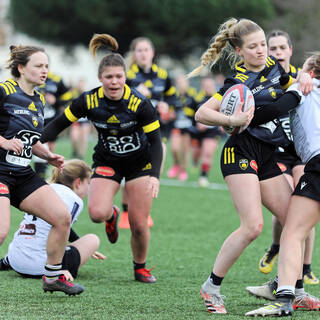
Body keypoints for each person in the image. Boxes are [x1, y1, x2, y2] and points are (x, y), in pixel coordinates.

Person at [190, 18, 315, 314]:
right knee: (253, 226)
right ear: (239, 50)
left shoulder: (275, 66)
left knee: (292, 222)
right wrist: (231, 121)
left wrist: (304, 79)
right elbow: (201, 113)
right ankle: (211, 287)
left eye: (263, 44)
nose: (261, 51)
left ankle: (294, 290)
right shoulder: (237, 82)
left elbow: (293, 84)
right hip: (240, 153)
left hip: (268, 154)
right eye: (254, 47)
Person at [40, 34, 163, 283]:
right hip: (108, 161)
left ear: (125, 77)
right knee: (97, 213)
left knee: (139, 224)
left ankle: (140, 267)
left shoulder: (140, 103)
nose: (114, 82)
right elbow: (55, 126)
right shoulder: (88, 100)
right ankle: (112, 215)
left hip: (140, 163)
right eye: (109, 77)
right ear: (100, 78)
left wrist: (155, 176)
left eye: (119, 76)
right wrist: (35, 143)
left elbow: (157, 143)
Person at [0, 44, 84, 295]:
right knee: (1, 231)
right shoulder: (4, 91)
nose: (44, 70)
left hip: (22, 173)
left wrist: (47, 156)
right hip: (0, 171)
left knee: (62, 218)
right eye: (38, 66)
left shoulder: (38, 99)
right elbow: (8, 138)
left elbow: (30, 140)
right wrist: (3, 142)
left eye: (46, 66)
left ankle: (52, 276)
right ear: (21, 68)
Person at [245, 52, 320, 317]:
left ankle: (285, 299)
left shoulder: (303, 86)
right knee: (296, 227)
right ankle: (284, 285)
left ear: (309, 71)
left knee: (292, 231)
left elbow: (275, 110)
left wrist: (239, 118)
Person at [257, 30, 318, 285]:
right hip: (282, 151)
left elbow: (280, 105)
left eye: (282, 47)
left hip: (308, 156)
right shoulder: (267, 78)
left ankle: (297, 277)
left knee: (300, 215)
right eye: (273, 48)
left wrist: (238, 120)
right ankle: (277, 250)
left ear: (291, 51)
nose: (278, 52)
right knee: (294, 205)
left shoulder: (302, 82)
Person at [0, 159, 105, 279]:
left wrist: (77, 241)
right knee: (93, 239)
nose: (89, 187)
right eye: (88, 183)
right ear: (78, 182)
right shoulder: (74, 199)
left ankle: (6, 261)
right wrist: (63, 267)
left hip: (15, 260)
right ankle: (56, 269)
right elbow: (61, 231)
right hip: (42, 266)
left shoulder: (41, 189)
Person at [120, 37, 178, 226]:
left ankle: (145, 212)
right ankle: (126, 213)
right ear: (134, 54)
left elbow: (173, 100)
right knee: (132, 173)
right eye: (139, 50)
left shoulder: (163, 75)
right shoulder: (126, 75)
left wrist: (166, 106)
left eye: (146, 50)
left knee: (154, 172)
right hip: (132, 132)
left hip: (156, 131)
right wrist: (136, 95)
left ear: (152, 53)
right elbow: (117, 103)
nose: (143, 54)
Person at [33, 69, 73, 178]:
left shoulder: (56, 79)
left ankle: (43, 172)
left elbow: (68, 98)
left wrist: (55, 101)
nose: (42, 68)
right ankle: (39, 174)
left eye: (44, 65)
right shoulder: (30, 78)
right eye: (39, 66)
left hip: (52, 120)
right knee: (38, 145)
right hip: (34, 119)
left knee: (49, 147)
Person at [193, 76, 224, 187]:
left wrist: (222, 123)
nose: (207, 88)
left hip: (213, 131)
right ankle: (195, 162)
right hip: (198, 132)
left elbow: (224, 112)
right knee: (195, 155)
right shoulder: (197, 98)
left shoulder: (219, 98)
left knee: (207, 153)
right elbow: (191, 114)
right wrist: (197, 123)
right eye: (205, 86)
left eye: (209, 86)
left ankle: (203, 177)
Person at [166, 74, 198, 181]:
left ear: (187, 83)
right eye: (178, 82)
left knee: (185, 150)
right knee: (175, 148)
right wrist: (170, 114)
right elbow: (170, 109)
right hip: (176, 125)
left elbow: (197, 108)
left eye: (182, 82)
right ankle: (176, 165)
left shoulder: (192, 94)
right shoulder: (174, 95)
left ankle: (183, 170)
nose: (180, 84)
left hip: (188, 127)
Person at [69, 78, 92, 159]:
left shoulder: (88, 95)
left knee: (84, 138)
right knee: (74, 137)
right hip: (76, 120)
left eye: (83, 84)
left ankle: (81, 155)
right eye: (80, 84)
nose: (81, 86)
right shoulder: (74, 94)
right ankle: (75, 151)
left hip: (85, 121)